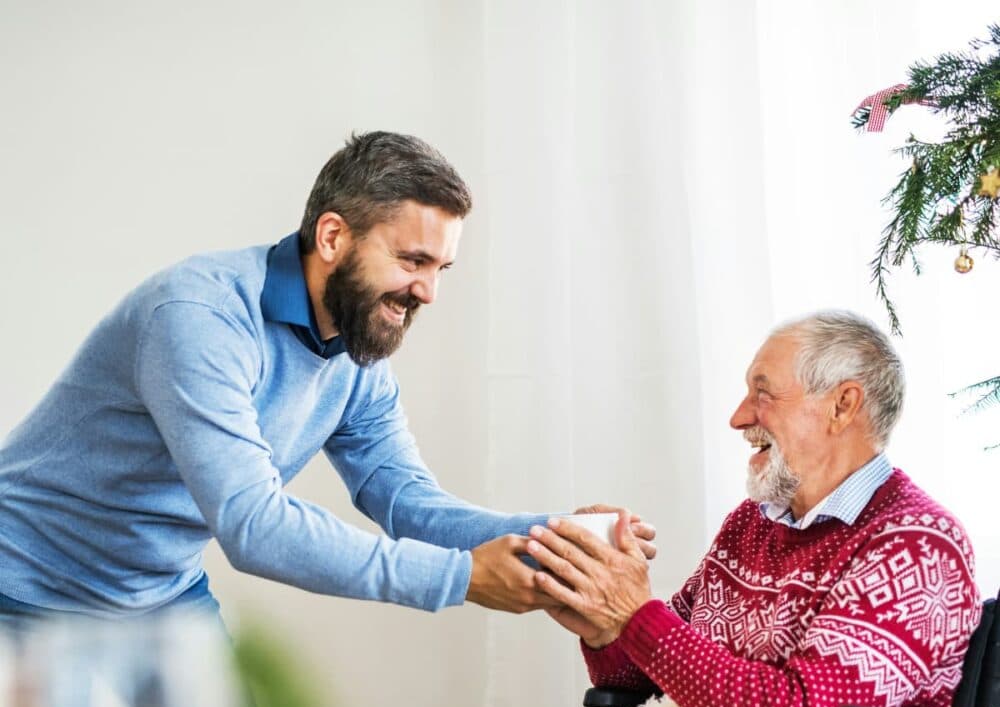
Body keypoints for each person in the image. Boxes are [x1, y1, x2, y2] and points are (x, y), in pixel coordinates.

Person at [0, 130, 654, 627]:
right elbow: (253, 526)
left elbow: (401, 500)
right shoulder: (198, 317)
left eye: (440, 269)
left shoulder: (356, 349)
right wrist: (458, 578)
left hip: (159, 597)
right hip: (23, 588)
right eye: (412, 259)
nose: (427, 291)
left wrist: (555, 539)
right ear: (334, 236)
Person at [525, 311, 980, 707]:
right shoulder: (753, 523)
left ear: (842, 406)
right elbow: (640, 680)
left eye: (763, 394)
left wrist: (634, 614)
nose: (738, 417)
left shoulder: (917, 545)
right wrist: (603, 621)